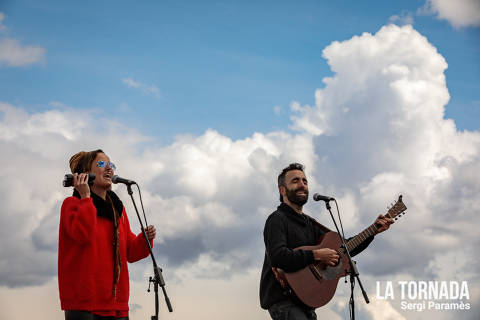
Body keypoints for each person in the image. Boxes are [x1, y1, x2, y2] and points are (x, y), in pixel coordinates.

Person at [259, 163, 393, 320]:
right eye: (295, 181)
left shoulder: (309, 224)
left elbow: (344, 250)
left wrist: (373, 230)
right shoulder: (277, 219)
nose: (302, 184)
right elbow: (278, 257)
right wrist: (316, 255)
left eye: (305, 181)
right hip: (283, 301)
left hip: (305, 300)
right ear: (282, 190)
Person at [58, 149, 156, 320]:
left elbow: (131, 252)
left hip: (116, 303)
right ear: (86, 174)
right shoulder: (72, 204)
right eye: (102, 164)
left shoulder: (117, 208)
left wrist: (145, 239)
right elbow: (83, 234)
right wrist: (86, 197)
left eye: (111, 165)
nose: (109, 168)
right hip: (84, 304)